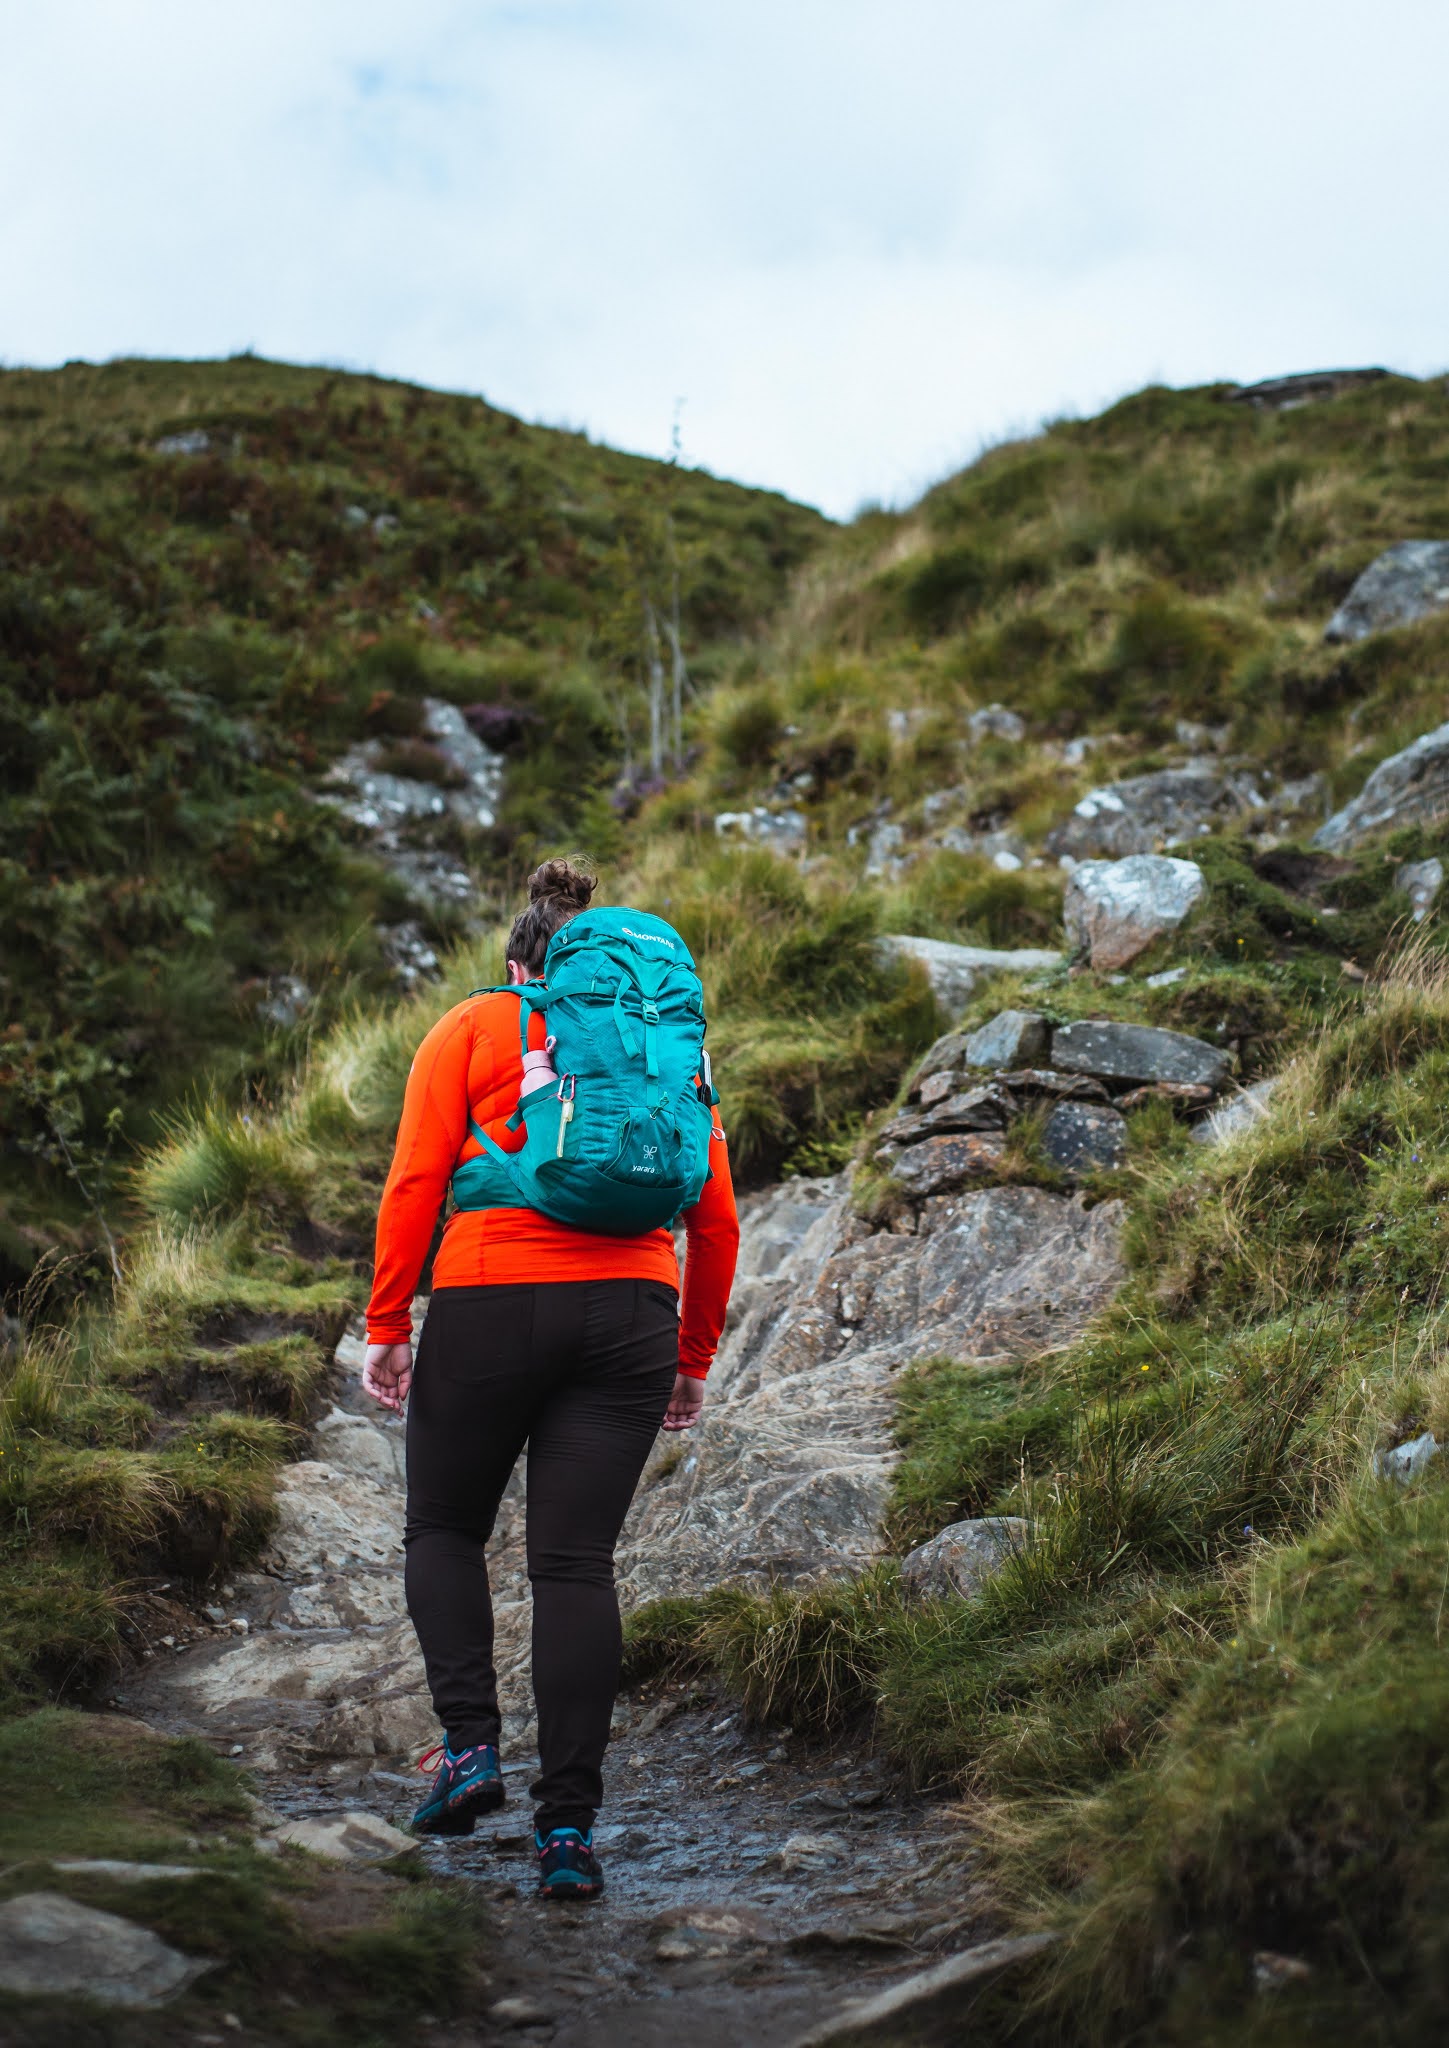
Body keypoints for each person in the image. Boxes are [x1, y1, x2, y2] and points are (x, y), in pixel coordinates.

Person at [360, 859, 740, 1899]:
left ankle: (470, 1746)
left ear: (518, 959)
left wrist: (389, 1322)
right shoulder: (667, 1050)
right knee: (575, 1567)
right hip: (634, 1315)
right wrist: (692, 1359)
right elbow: (715, 1219)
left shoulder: (475, 1027)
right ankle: (567, 1830)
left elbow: (412, 1182)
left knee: (443, 1526)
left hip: (489, 1297)